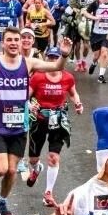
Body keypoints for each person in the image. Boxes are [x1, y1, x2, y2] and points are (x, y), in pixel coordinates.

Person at [0, 27, 66, 215]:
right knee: (1, 169)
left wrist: (64, 55)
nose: (14, 43)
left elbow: (56, 66)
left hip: (19, 126)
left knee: (12, 170)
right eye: (10, 40)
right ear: (3, 43)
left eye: (17, 39)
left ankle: (1, 202)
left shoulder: (28, 63)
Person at [27, 47, 83, 205]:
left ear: (61, 59)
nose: (52, 60)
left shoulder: (67, 77)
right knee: (33, 158)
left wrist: (78, 103)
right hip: (39, 119)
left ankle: (48, 193)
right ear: (46, 58)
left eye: (55, 57)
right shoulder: (38, 77)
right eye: (50, 57)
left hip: (58, 120)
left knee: (53, 158)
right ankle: (36, 168)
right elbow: (26, 95)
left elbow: (73, 93)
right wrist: (29, 105)